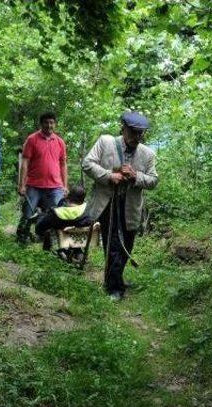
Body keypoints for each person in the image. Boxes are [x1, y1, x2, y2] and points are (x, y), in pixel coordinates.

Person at [82, 111, 158, 300]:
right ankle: (114, 287)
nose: (137, 137)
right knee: (114, 244)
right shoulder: (105, 142)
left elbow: (154, 180)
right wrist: (110, 175)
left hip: (131, 206)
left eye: (141, 133)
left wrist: (136, 177)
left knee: (127, 245)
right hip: (107, 203)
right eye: (133, 132)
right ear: (123, 128)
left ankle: (115, 278)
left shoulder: (147, 154)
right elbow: (88, 164)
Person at [16, 112, 68, 244]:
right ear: (41, 124)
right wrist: (21, 185)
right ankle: (21, 239)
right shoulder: (32, 139)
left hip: (55, 187)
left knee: (55, 216)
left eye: (52, 123)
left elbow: (63, 164)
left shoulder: (60, 142)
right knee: (28, 213)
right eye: (46, 122)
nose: (49, 125)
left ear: (55, 124)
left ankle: (49, 243)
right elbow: (25, 162)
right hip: (34, 185)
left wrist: (65, 186)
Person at [35, 185, 92, 259]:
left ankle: (60, 251)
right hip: (80, 239)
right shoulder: (88, 211)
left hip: (62, 239)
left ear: (68, 197)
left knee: (47, 224)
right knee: (77, 231)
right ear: (83, 199)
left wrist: (41, 216)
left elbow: (39, 228)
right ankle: (77, 251)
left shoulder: (57, 213)